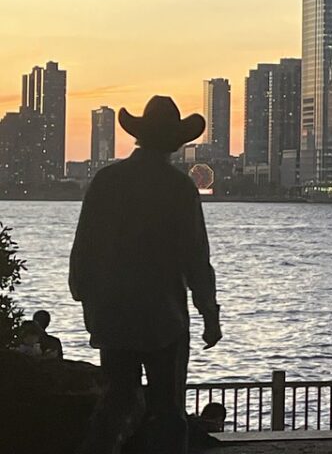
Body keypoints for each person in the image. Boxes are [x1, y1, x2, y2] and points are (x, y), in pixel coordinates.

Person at [70, 96, 221, 454]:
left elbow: (84, 249)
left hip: (113, 314)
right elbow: (196, 258)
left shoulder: (106, 181)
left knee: (117, 402)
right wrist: (209, 314)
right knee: (168, 412)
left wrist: (87, 301)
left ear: (139, 136)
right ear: (175, 142)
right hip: (164, 318)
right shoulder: (180, 188)